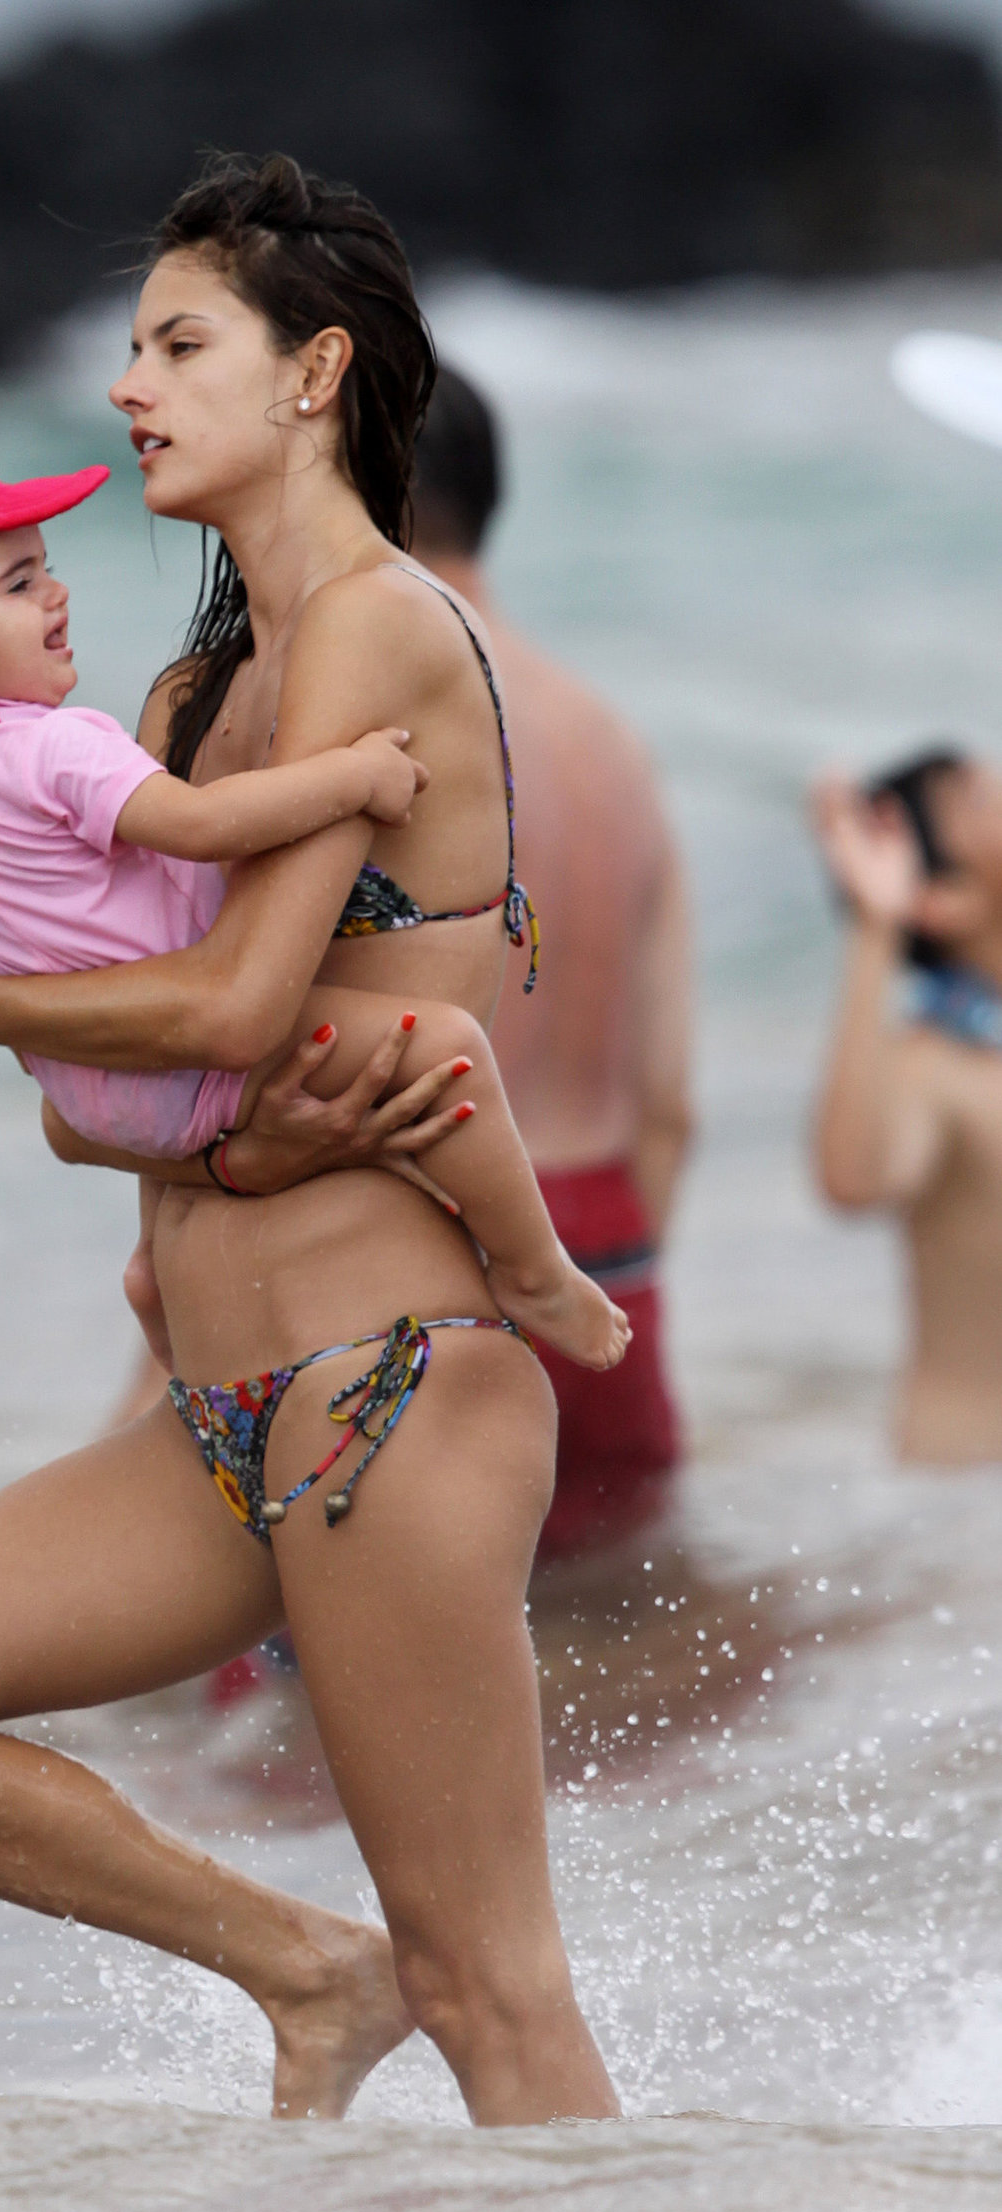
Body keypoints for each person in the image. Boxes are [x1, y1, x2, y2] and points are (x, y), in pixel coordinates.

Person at [0, 152, 620, 2126]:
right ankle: (304, 1967)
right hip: (213, 1411)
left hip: (384, 1380)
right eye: (132, 350)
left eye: (176, 344)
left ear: (312, 372)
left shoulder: (378, 631)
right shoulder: (181, 691)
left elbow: (225, 1015)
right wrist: (194, 1137)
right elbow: (114, 1109)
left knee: (490, 1989)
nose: (129, 387)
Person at [0, 464, 627, 1374]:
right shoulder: (57, 747)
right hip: (184, 1060)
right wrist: (353, 777)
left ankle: (155, 1282)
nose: (58, 593)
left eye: (47, 569)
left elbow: (9, 946)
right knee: (444, 1048)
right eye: (21, 582)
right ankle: (537, 1271)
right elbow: (196, 825)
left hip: (93, 1095)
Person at [406, 365, 692, 1558]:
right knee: (618, 1641)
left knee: (318, 1670)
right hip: (610, 1251)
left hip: (435, 1261)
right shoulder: (608, 736)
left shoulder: (377, 720)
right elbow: (668, 1102)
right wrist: (602, 1300)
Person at [810, 750, 1002, 1462]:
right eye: (978, 800)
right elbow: (852, 1178)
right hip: (964, 1498)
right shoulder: (935, 1068)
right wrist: (875, 928)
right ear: (945, 899)